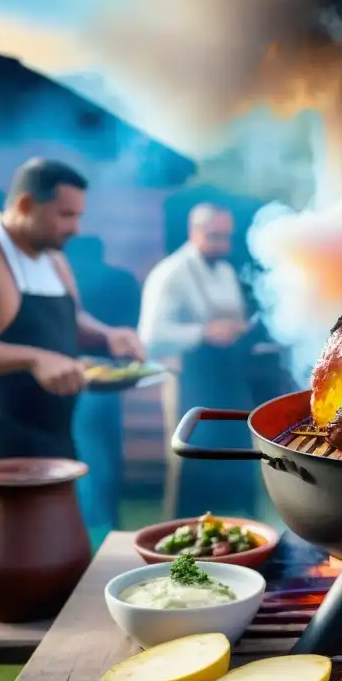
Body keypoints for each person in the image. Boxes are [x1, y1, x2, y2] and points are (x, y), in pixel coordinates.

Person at [0, 158, 144, 460]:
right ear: (25, 205)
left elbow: (70, 318)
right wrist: (35, 359)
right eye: (66, 215)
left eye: (78, 216)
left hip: (57, 438)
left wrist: (108, 335)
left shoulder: (52, 256)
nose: (75, 228)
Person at [138, 203, 257, 518]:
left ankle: (240, 532)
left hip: (228, 381)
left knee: (237, 461)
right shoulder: (170, 273)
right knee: (191, 465)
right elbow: (151, 335)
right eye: (214, 236)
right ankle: (186, 534)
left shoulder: (226, 270)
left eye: (226, 237)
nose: (222, 246)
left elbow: (236, 317)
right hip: (189, 382)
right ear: (194, 232)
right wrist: (203, 333)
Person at [65, 236, 143, 543]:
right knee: (109, 453)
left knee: (91, 456)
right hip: (114, 377)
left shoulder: (75, 281)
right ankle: (111, 520)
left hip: (82, 379)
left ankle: (98, 528)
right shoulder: (122, 279)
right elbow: (132, 321)